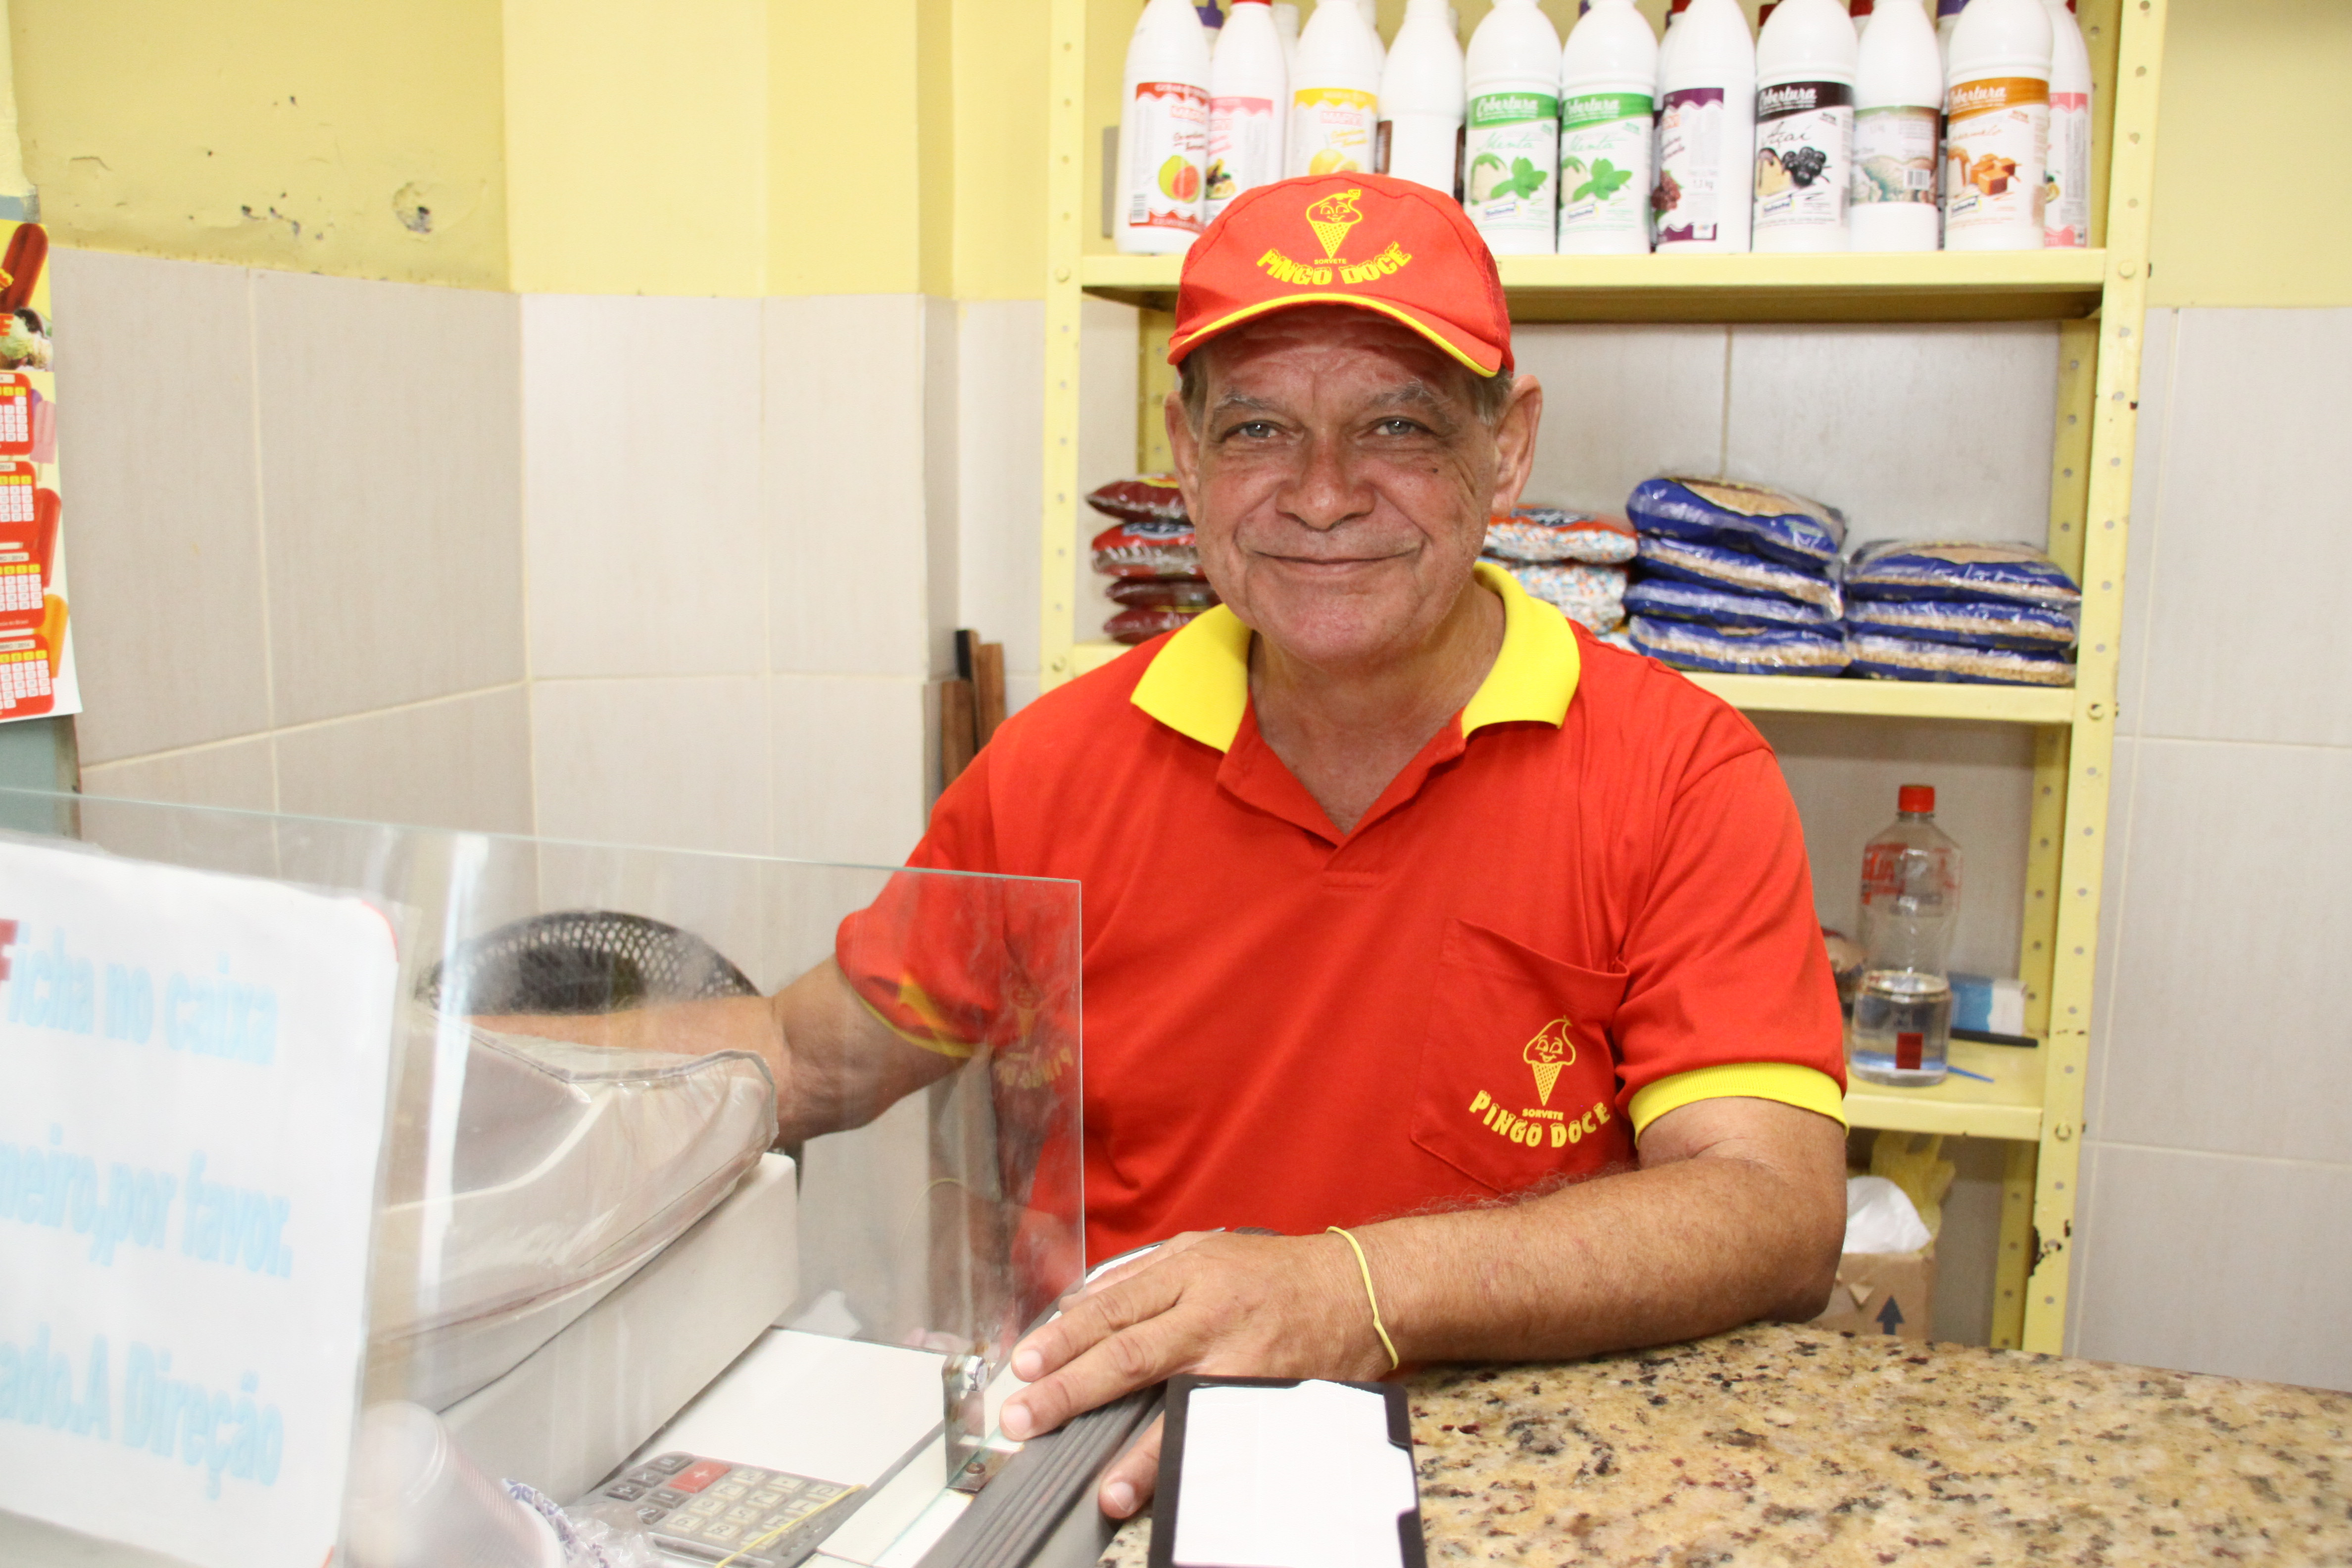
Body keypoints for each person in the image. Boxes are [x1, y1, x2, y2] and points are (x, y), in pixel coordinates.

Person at [508, 173, 1849, 1519]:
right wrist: (438, 1072)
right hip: (1104, 1462)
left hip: (1507, 1470)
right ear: (1185, 453)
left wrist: (1349, 1292)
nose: (1323, 496)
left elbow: (1772, 1209)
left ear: (1507, 450)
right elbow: (806, 1057)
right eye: (1260, 428)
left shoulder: (1678, 772)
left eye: (1398, 425)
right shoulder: (1058, 767)